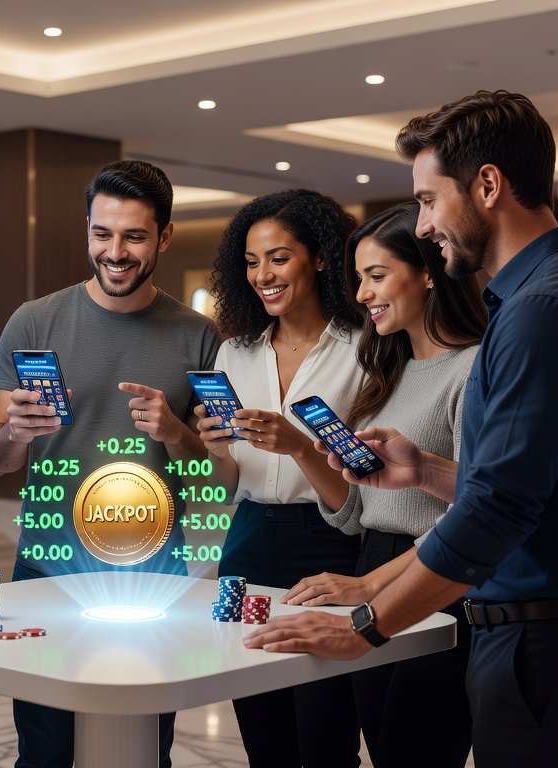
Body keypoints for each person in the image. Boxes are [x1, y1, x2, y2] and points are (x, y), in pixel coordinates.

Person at [244, 90, 558, 768]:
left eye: (430, 200)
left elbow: (499, 510)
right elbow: (536, 490)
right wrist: (426, 471)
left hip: (550, 641)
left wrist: (366, 627)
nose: (426, 224)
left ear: (487, 186)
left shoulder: (545, 309)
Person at [0, 159, 221, 768]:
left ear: (164, 236)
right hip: (47, 563)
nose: (115, 252)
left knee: (143, 747)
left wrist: (174, 435)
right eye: (102, 234)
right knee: (45, 747)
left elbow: (215, 475)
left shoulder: (199, 337)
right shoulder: (34, 321)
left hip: (152, 572)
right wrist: (13, 432)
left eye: (134, 237)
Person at [282, 201, 487, 768]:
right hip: (373, 557)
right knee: (379, 744)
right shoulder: (387, 371)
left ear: (426, 271)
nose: (364, 294)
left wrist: (372, 585)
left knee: (412, 753)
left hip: (437, 581)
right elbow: (355, 512)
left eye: (376, 276)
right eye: (359, 281)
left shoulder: (473, 369)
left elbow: (476, 513)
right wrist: (310, 453)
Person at [194, 188, 363, 767]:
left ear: (319, 258)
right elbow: (226, 486)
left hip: (331, 547)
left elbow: (358, 490)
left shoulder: (366, 348)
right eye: (251, 261)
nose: (262, 275)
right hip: (245, 542)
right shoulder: (234, 353)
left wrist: (299, 447)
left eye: (278, 257)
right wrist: (213, 448)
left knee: (325, 736)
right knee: (262, 735)